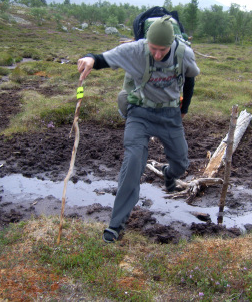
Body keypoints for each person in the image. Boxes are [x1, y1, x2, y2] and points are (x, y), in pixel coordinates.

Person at [77, 15, 200, 243]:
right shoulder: (135, 50)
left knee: (182, 163)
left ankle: (167, 173)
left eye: (162, 50)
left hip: (169, 115)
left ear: (172, 44)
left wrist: (184, 110)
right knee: (133, 161)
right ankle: (116, 225)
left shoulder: (184, 54)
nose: (157, 54)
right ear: (147, 43)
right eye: (153, 48)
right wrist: (91, 59)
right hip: (140, 113)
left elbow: (191, 79)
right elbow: (104, 58)